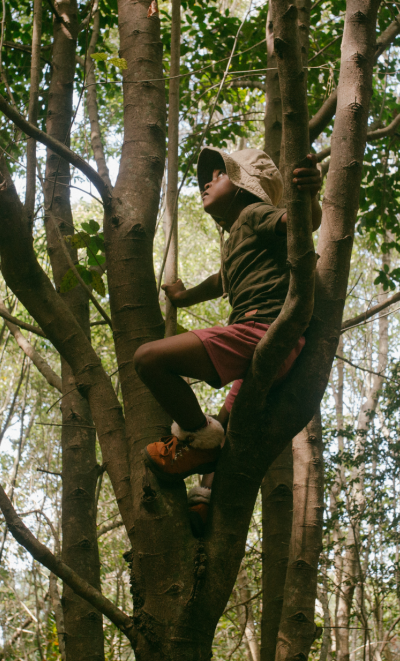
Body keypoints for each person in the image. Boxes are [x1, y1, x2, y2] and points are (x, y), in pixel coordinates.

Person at [133, 146, 322, 532]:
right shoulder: (237, 237)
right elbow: (222, 280)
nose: (207, 181)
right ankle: (206, 503)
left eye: (219, 175)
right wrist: (183, 297)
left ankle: (196, 440)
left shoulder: (254, 214)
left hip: (260, 332)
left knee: (148, 358)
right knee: (229, 428)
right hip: (264, 344)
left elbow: (300, 223)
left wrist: (310, 196)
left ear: (242, 188)